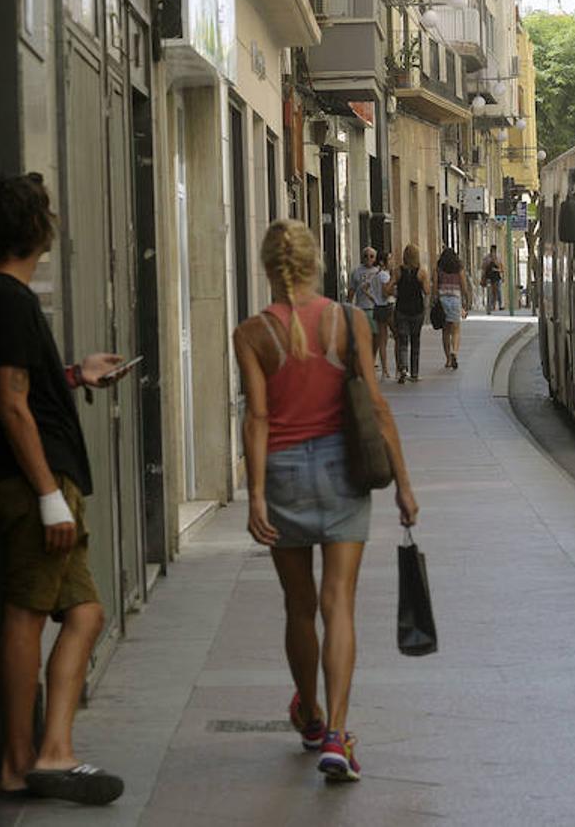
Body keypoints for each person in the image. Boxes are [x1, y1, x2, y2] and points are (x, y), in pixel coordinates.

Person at [232, 220, 418, 782]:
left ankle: (309, 716)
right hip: (342, 471)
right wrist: (404, 486)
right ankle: (337, 735)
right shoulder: (347, 320)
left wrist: (256, 494)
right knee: (339, 604)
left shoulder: (252, 333)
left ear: (266, 268)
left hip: (284, 475)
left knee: (299, 606)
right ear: (316, 264)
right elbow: (377, 406)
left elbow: (258, 418)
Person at [0, 174, 128, 805]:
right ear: (38, 229)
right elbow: (10, 403)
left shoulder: (8, 299)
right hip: (37, 481)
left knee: (85, 613)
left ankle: (52, 751)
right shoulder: (5, 298)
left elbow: (23, 386)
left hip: (48, 478)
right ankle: (18, 761)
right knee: (28, 613)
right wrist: (47, 494)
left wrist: (73, 375)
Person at [393, 244, 431, 383]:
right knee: (415, 341)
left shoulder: (398, 271)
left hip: (401, 309)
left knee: (403, 341)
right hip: (417, 310)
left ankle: (403, 368)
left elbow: (389, 287)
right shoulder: (421, 272)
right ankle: (414, 374)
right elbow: (427, 291)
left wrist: (395, 291)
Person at [435, 247, 473, 370]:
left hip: (443, 300)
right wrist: (466, 300)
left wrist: (434, 300)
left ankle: (447, 360)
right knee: (456, 330)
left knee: (445, 331)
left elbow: (435, 286)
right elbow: (464, 286)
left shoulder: (438, 268)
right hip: (455, 300)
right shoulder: (459, 268)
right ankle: (454, 353)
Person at [346, 247, 385, 342]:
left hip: (375, 309)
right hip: (361, 308)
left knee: (376, 336)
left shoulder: (378, 272)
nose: (368, 259)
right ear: (362, 258)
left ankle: (372, 354)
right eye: (366, 256)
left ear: (375, 258)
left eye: (371, 256)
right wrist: (349, 306)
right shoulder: (356, 271)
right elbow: (352, 290)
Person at [373, 251, 395, 379]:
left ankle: (385, 369)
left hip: (377, 307)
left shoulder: (376, 275)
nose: (392, 261)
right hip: (387, 307)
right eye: (389, 259)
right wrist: (394, 291)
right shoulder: (384, 276)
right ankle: (398, 368)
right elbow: (386, 293)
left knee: (382, 340)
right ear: (382, 262)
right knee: (397, 335)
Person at [481, 245, 503, 312]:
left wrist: (496, 265)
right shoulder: (487, 258)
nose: (493, 252)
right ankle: (490, 305)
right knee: (490, 291)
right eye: (491, 251)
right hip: (489, 277)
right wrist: (482, 277)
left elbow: (501, 268)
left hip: (497, 277)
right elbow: (483, 268)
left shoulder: (498, 258)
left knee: (498, 290)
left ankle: (499, 305)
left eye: (494, 251)